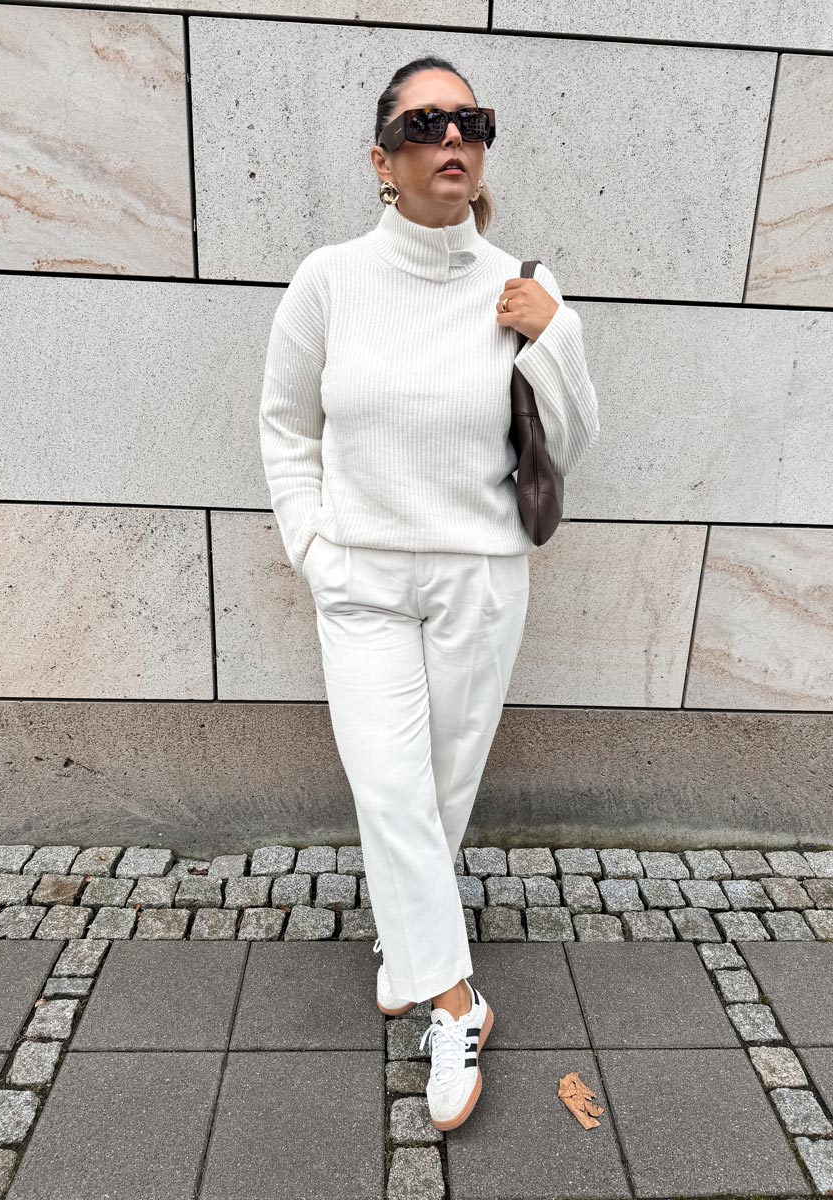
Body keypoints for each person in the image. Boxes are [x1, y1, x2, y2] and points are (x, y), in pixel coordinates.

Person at [258, 54, 600, 1131]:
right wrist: (313, 547)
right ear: (383, 159)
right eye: (425, 124)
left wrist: (557, 338)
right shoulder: (329, 280)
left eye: (470, 121)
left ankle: (409, 949)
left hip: (480, 577)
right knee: (392, 788)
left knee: (440, 791)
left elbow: (575, 443)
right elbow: (284, 425)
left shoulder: (521, 287)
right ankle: (455, 999)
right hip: (358, 578)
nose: (451, 138)